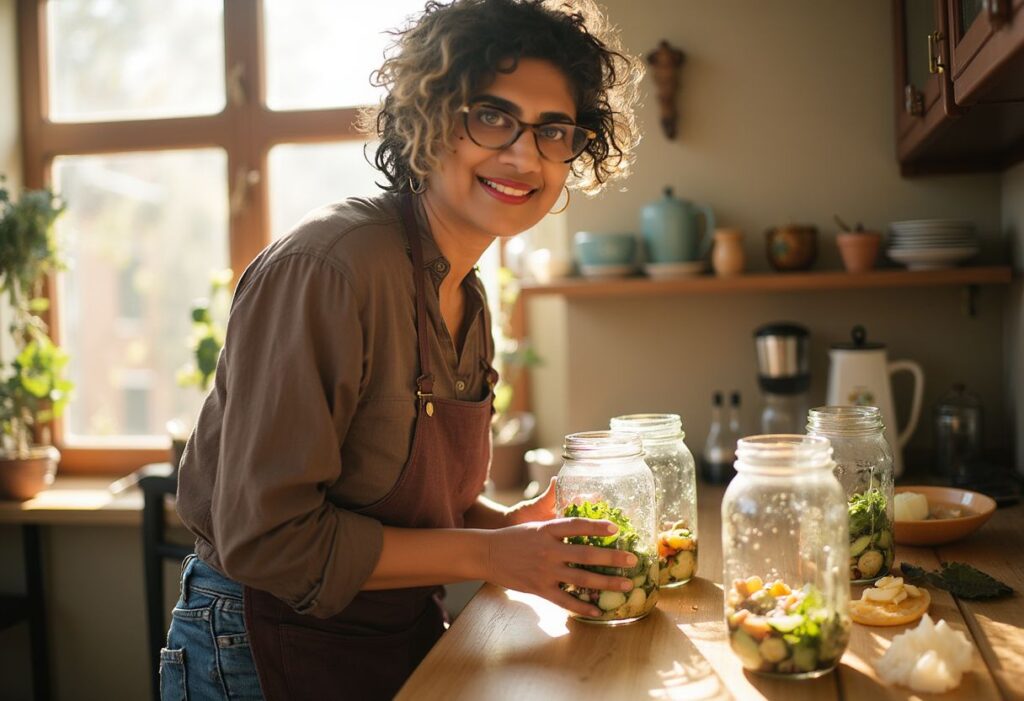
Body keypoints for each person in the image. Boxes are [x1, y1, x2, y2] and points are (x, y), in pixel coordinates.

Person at [166, 1, 642, 699]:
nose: (523, 153)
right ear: (430, 118)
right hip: (259, 642)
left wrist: (509, 529)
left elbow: (401, 508)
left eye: (553, 130)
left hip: (386, 637)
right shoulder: (332, 267)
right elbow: (267, 538)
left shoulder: (465, 290)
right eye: (491, 116)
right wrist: (489, 552)